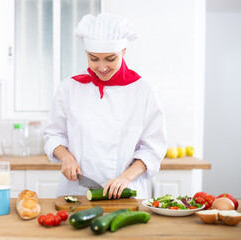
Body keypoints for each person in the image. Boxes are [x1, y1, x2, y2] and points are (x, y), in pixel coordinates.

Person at [44, 13, 167, 199]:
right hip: (76, 193)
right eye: (94, 59)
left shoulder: (144, 92)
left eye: (110, 59)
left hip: (127, 192)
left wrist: (125, 178)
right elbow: (54, 134)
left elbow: (153, 149)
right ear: (86, 54)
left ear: (124, 51)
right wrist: (67, 158)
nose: (101, 67)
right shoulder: (69, 88)